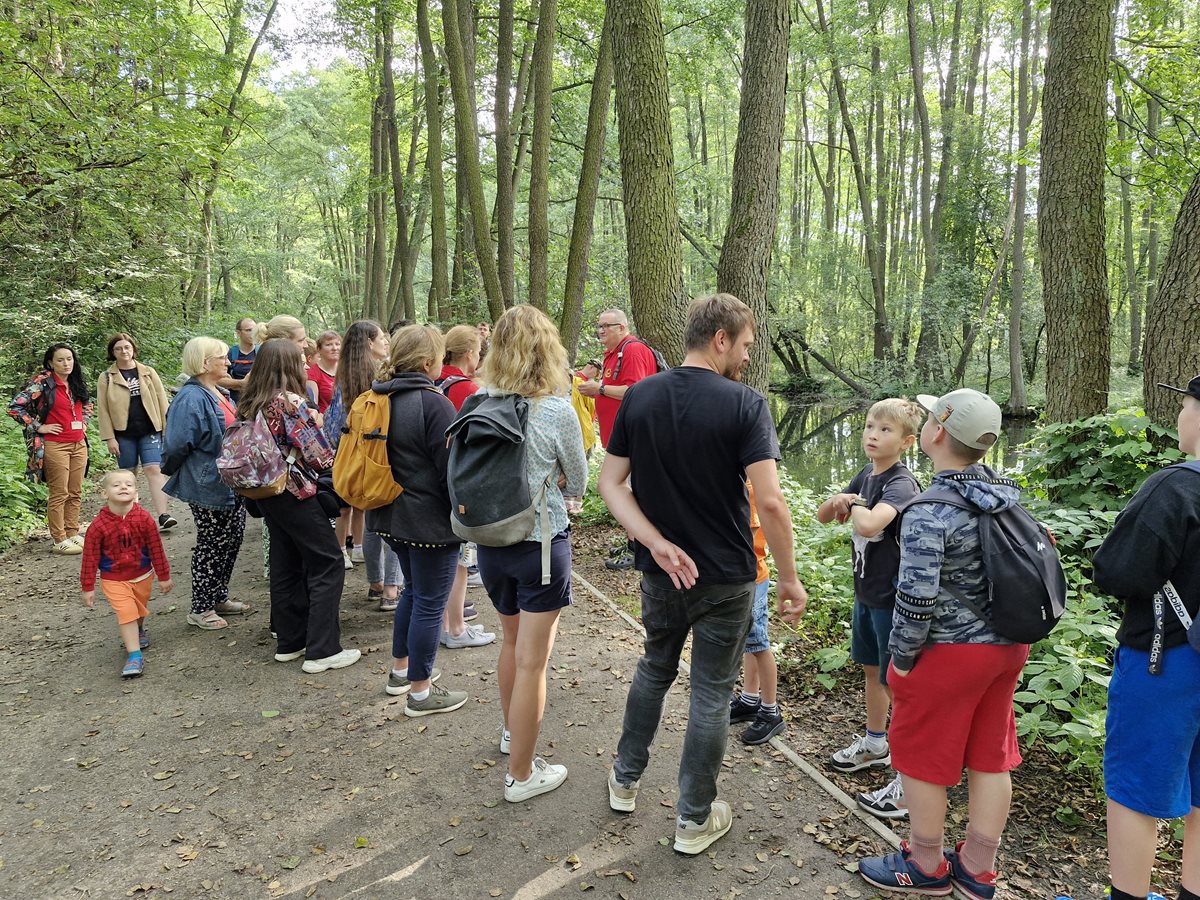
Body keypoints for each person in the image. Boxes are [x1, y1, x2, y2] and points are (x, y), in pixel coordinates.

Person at [599, 293, 807, 855]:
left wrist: (656, 544)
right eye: (743, 345)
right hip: (725, 578)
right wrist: (788, 577)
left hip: (661, 572)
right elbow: (770, 502)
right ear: (721, 339)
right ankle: (693, 820)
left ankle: (624, 780)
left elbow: (611, 484)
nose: (745, 355)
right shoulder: (745, 404)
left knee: (654, 668)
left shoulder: (640, 396)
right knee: (711, 693)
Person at [857, 388, 1026, 899]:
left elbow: (915, 599)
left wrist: (901, 661)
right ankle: (977, 868)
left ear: (934, 434)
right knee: (990, 754)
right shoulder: (1004, 493)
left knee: (922, 754)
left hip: (950, 653)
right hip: (1006, 648)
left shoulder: (929, 509)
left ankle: (925, 864)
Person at [1087, 375, 1200, 900]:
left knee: (1136, 787)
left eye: (1184, 405)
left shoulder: (1176, 486)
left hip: (1169, 661)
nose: (1180, 415)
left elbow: (1117, 571)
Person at [468, 306, 587, 802]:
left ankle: (511, 733)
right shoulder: (556, 410)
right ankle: (521, 775)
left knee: (510, 644)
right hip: (540, 544)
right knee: (534, 662)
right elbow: (578, 480)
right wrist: (556, 480)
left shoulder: (475, 403)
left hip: (491, 542)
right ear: (548, 350)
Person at [815, 398, 923, 819]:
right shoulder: (866, 474)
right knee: (872, 671)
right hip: (866, 594)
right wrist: (841, 498)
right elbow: (826, 516)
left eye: (885, 430)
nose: (873, 435)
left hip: (892, 600)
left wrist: (854, 504)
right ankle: (876, 743)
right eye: (869, 426)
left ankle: (908, 773)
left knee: (900, 683)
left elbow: (869, 524)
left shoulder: (900, 482)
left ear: (907, 442)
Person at [236, 338, 360, 673]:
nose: (306, 364)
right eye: (301, 360)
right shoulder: (290, 402)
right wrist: (318, 429)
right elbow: (319, 455)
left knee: (285, 563)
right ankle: (323, 649)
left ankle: (290, 642)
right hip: (297, 490)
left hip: (267, 493)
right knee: (328, 562)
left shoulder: (250, 401)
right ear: (288, 365)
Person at [368, 325, 469, 716]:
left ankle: (400, 671)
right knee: (429, 601)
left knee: (413, 592)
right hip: (427, 520)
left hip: (389, 513)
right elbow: (451, 471)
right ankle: (421, 692)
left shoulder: (379, 396)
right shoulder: (433, 402)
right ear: (429, 362)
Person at [162, 336, 248, 630]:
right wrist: (180, 472)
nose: (228, 362)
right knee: (212, 544)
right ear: (203, 363)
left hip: (229, 482)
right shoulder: (191, 398)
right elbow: (175, 444)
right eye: (221, 357)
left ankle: (218, 596)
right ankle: (200, 607)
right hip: (208, 482)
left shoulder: (217, 390)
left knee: (231, 539)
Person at [324, 320, 403, 605]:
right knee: (394, 524)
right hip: (383, 459)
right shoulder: (381, 379)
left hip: (355, 462)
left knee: (371, 523)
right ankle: (392, 589)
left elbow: (332, 428)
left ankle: (376, 583)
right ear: (370, 342)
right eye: (382, 337)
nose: (386, 342)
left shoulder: (343, 378)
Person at [578, 309, 660, 570]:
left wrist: (599, 388)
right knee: (624, 487)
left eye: (606, 326)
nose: (601, 331)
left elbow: (637, 390)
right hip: (619, 436)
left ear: (622, 327)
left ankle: (640, 548)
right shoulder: (613, 354)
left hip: (636, 435)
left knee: (631, 489)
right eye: (598, 326)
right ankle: (633, 542)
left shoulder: (633, 350)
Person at [80, 470, 173, 678]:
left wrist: (164, 575)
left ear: (136, 493)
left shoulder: (144, 519)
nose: (123, 487)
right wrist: (87, 587)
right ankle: (134, 656)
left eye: (129, 485)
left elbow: (156, 548)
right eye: (117, 485)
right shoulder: (98, 527)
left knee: (139, 609)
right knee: (126, 612)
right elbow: (90, 558)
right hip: (113, 578)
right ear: (104, 494)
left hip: (142, 575)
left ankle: (139, 630)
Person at [437, 325, 495, 651]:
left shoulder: (435, 379)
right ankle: (456, 627)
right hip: (458, 484)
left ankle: (449, 622)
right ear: (469, 353)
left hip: (433, 481)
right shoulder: (465, 389)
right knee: (460, 558)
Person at [8, 344, 93, 554]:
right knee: (59, 492)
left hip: (79, 443)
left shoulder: (76, 381)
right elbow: (14, 407)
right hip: (56, 445)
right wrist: (39, 426)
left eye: (69, 359)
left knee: (75, 491)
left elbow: (87, 404)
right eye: (61, 360)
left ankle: (73, 532)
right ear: (50, 363)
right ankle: (59, 539)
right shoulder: (42, 385)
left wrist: (84, 422)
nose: (66, 364)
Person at [96, 333, 177, 530]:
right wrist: (109, 438)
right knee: (127, 475)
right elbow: (103, 409)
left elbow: (162, 401)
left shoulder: (148, 372)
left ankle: (163, 515)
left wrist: (167, 429)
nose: (124, 351)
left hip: (149, 429)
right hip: (123, 433)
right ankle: (132, 517)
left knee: (153, 469)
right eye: (118, 349)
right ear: (112, 353)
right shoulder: (107, 377)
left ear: (133, 349)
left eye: (127, 347)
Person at [727, 482, 785, 745]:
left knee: (759, 644)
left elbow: (744, 534)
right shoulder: (740, 481)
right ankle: (750, 700)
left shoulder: (749, 488)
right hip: (739, 577)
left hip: (751, 577)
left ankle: (770, 710)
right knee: (751, 642)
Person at [219, 318, 257, 401]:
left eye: (255, 330)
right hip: (235, 402)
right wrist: (241, 383)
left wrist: (232, 383)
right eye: (249, 330)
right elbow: (217, 379)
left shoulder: (263, 352)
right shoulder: (230, 353)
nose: (253, 333)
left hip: (258, 402)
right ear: (238, 333)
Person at [306, 330, 340, 415]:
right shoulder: (312, 374)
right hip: (325, 422)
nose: (335, 348)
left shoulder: (346, 369)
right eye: (328, 344)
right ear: (319, 349)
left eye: (337, 344)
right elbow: (313, 408)